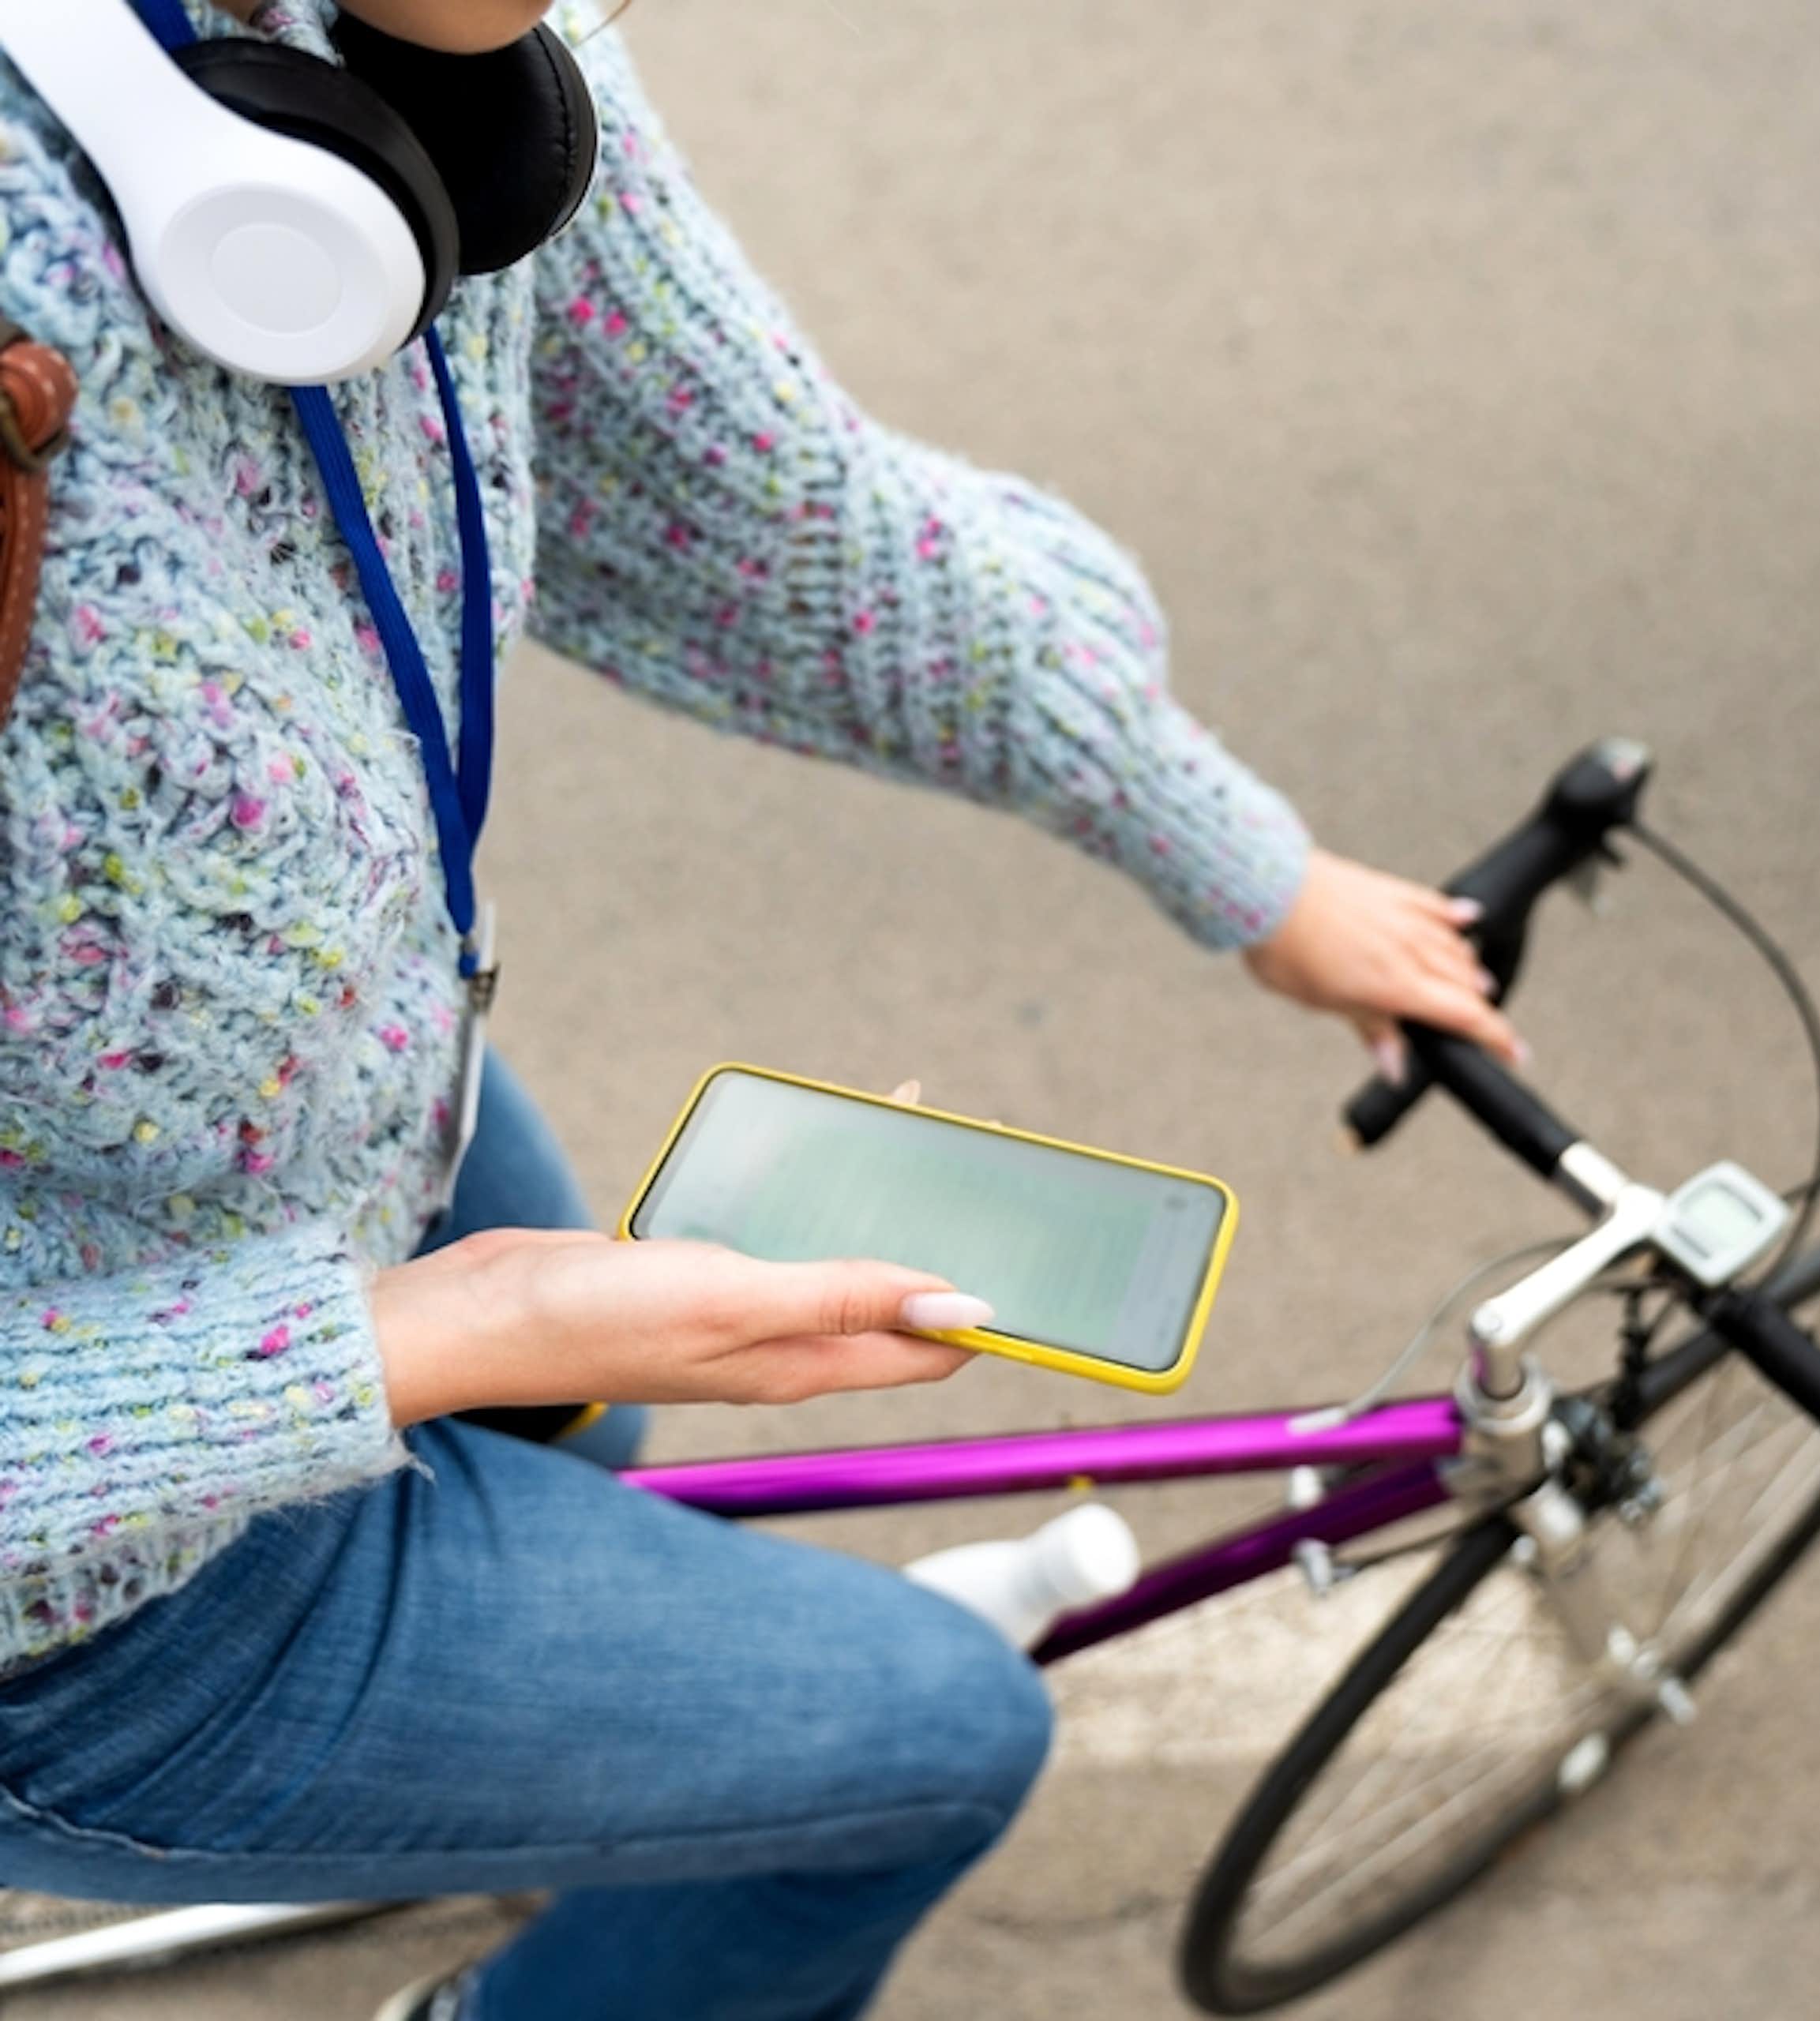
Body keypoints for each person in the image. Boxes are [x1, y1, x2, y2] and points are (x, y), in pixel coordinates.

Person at [0, 4, 1520, 2018]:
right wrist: (414, 1339)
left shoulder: (396, 45)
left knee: (588, 1424)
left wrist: (1239, 859)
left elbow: (787, 513)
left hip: (337, 1165)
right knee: (935, 1744)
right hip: (83, 1596)